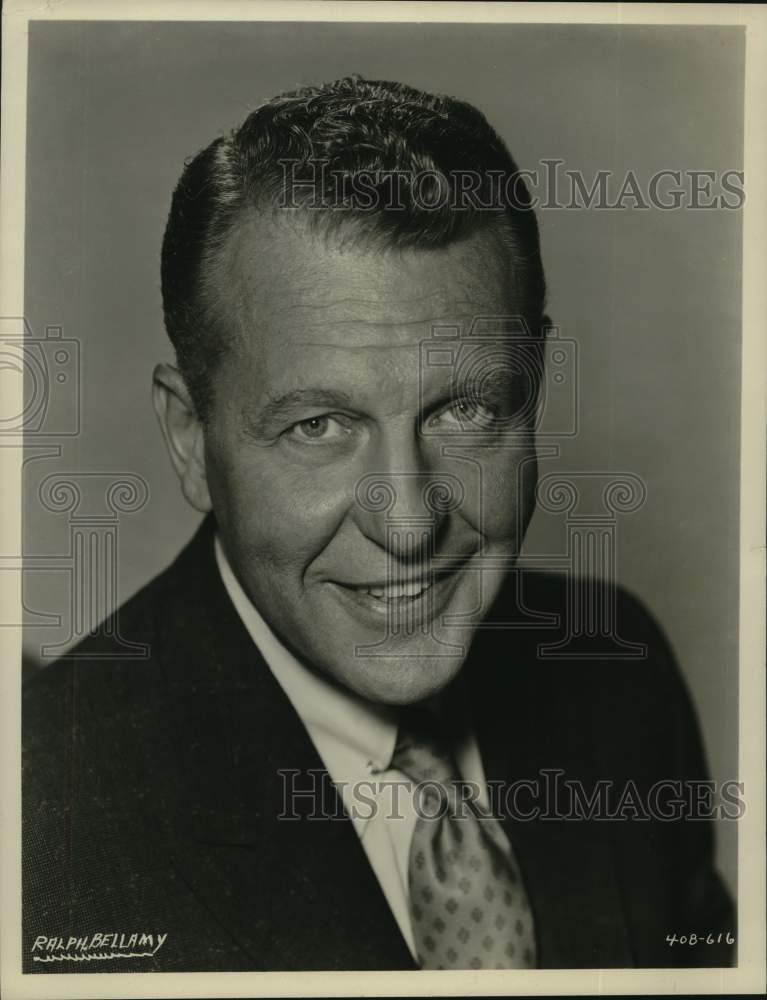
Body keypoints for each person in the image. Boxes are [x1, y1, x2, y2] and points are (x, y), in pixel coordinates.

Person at [23, 76, 734, 973]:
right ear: (190, 439)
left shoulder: (615, 675)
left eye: (464, 409)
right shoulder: (45, 800)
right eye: (317, 426)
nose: (407, 524)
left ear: (536, 383)